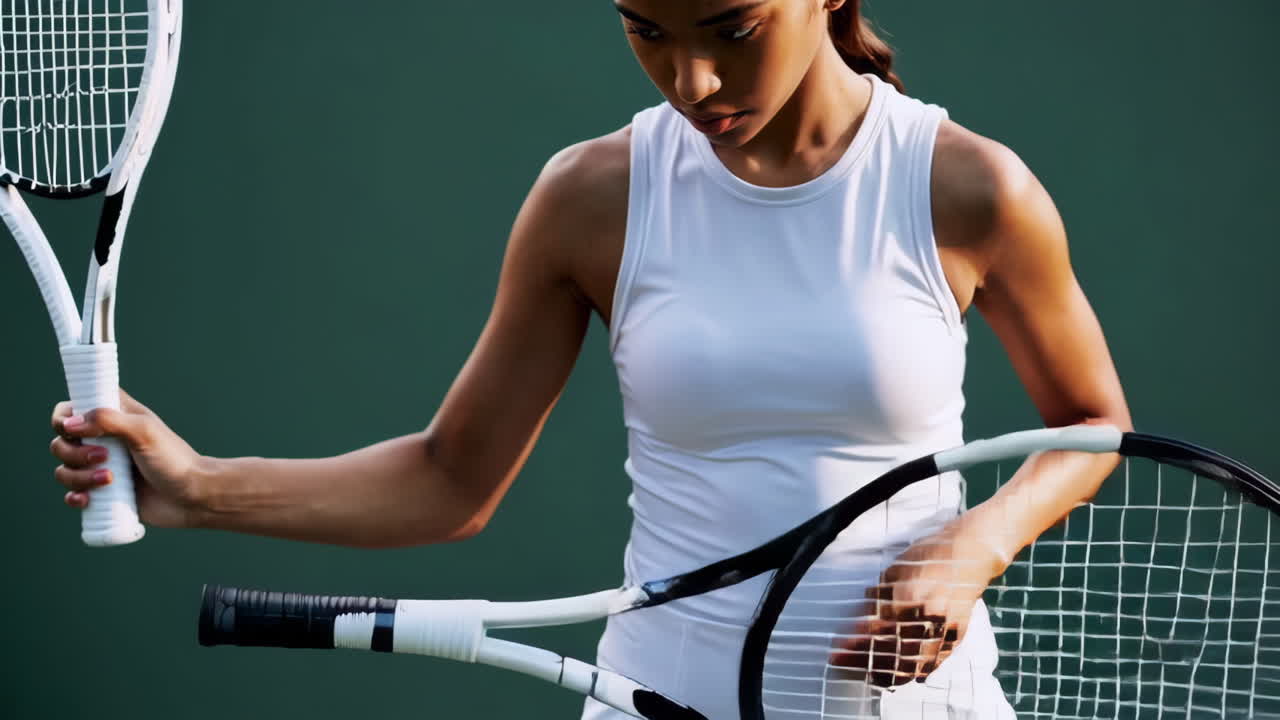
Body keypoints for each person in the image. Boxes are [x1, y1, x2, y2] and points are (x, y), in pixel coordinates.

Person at [48, 1, 1132, 717]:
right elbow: (448, 480)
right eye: (644, 28)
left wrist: (971, 548)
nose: (691, 78)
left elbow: (1088, 425)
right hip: (655, 700)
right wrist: (194, 488)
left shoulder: (969, 188)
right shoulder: (591, 198)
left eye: (729, 25)